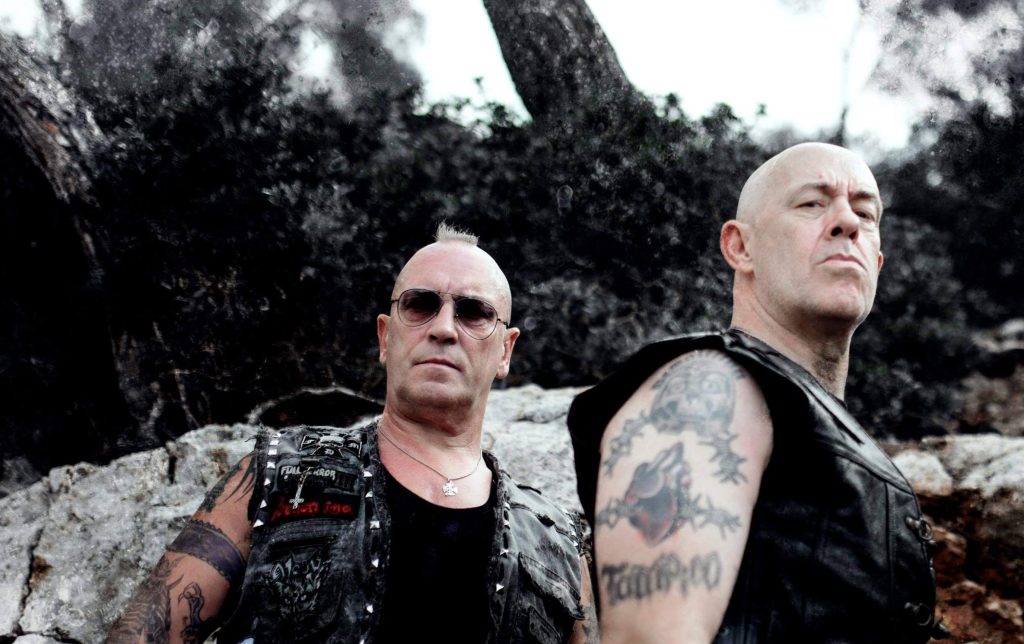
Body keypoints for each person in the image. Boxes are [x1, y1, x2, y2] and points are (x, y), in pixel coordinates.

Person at [107, 223, 595, 643]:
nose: (444, 328)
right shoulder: (276, 474)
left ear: (505, 350)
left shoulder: (557, 543)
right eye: (420, 305)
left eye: (473, 312)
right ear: (386, 335)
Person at [567, 143, 944, 643]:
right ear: (740, 247)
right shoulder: (708, 387)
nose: (846, 222)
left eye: (865, 212)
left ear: (876, 262)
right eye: (812, 203)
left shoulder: (811, 422)